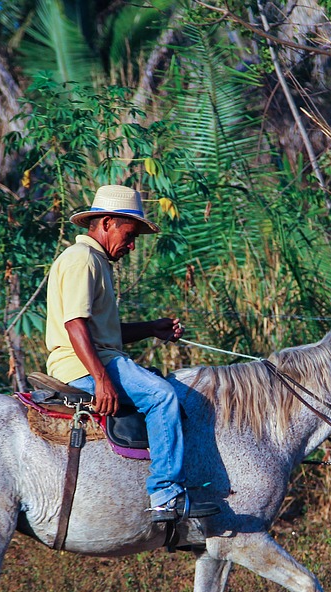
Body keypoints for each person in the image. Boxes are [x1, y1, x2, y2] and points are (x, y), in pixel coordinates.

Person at [44, 184, 216, 522]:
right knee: (162, 396)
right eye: (129, 233)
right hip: (81, 364)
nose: (132, 245)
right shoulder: (83, 261)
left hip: (97, 357)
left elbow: (101, 332)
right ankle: (166, 494)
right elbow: (75, 326)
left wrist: (152, 327)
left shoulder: (93, 260)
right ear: (107, 222)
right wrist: (101, 379)